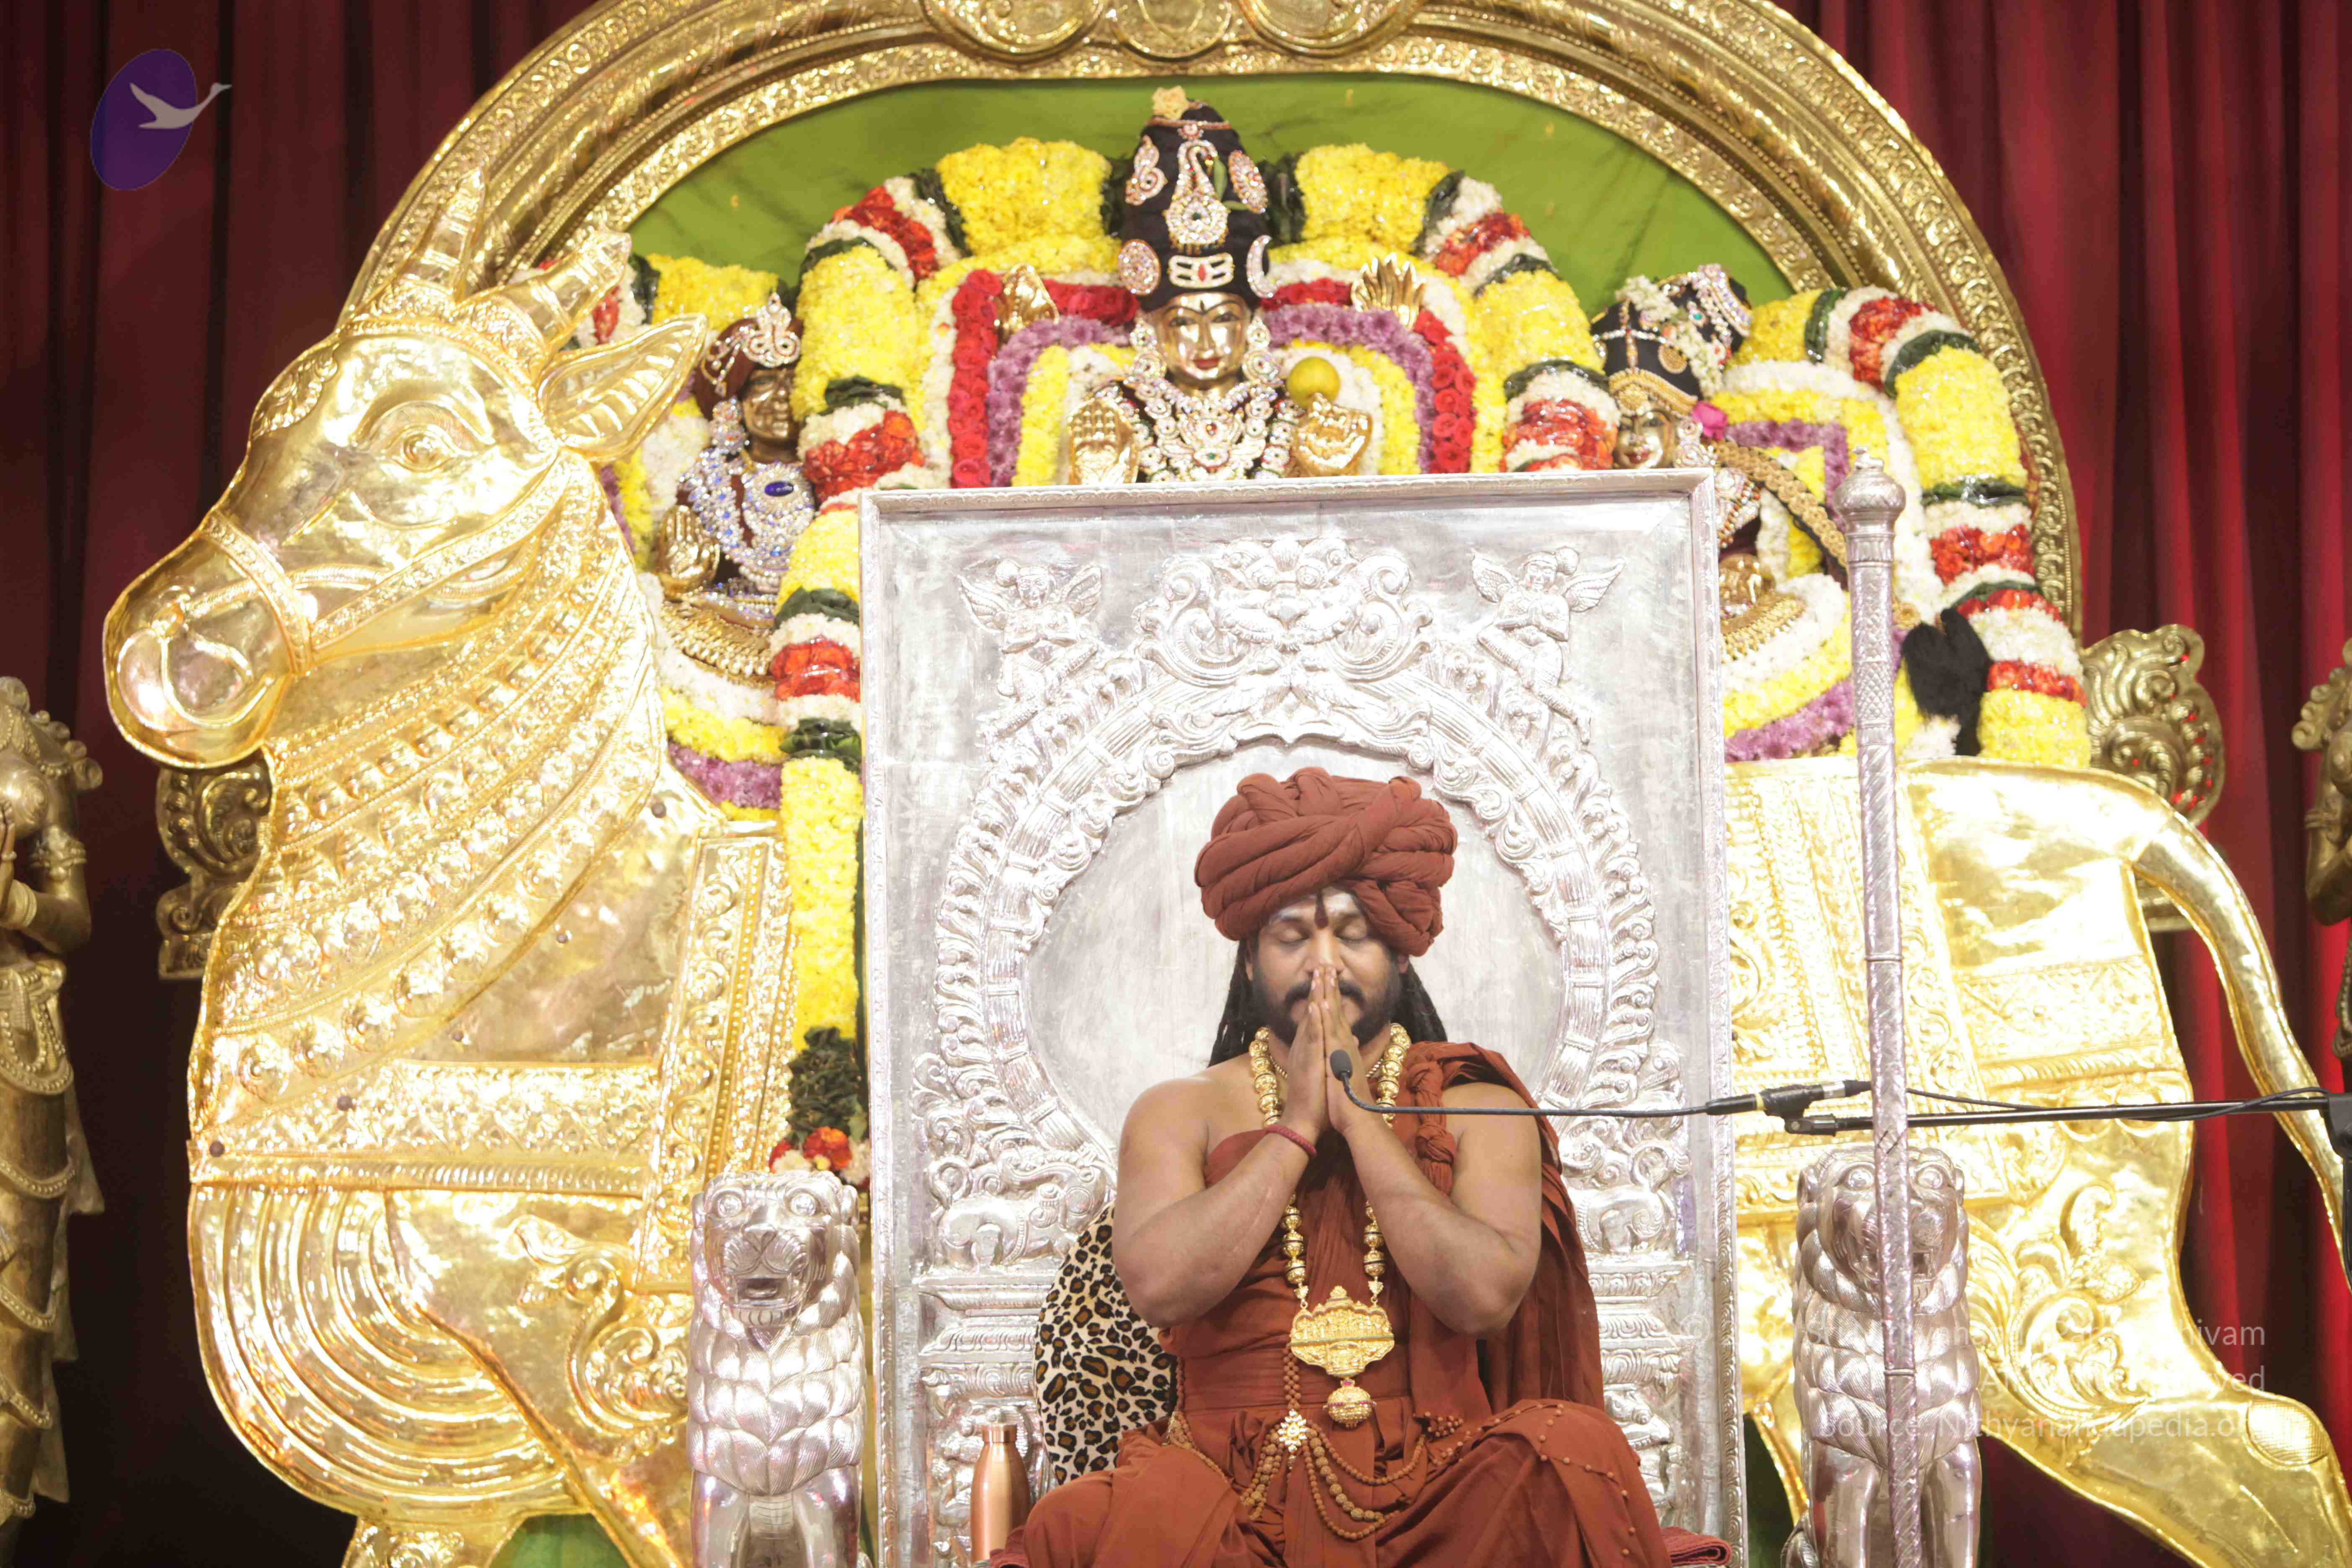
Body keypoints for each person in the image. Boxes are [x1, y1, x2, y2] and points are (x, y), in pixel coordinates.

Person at [995, 767, 1692, 1568]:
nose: (1323, 962)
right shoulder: (1180, 1109)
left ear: (1400, 953)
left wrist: (1362, 1120)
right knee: (1079, 1520)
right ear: (1249, 957)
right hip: (1225, 1493)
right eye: (1293, 934)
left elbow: (1484, 1296)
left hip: (1441, 1487)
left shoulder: (1476, 1103)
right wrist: (1295, 1128)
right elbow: (1159, 1287)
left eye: (1354, 933)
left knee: (1571, 1449)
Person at [1068, 91, 1369, 485]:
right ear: (1153, 327)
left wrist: (1331, 471)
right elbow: (1077, 521)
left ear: (1250, 322)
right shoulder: (1112, 414)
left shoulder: (1297, 413)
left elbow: (1336, 519)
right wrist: (1099, 476)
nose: (1206, 343)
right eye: (1182, 322)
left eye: (1223, 319)